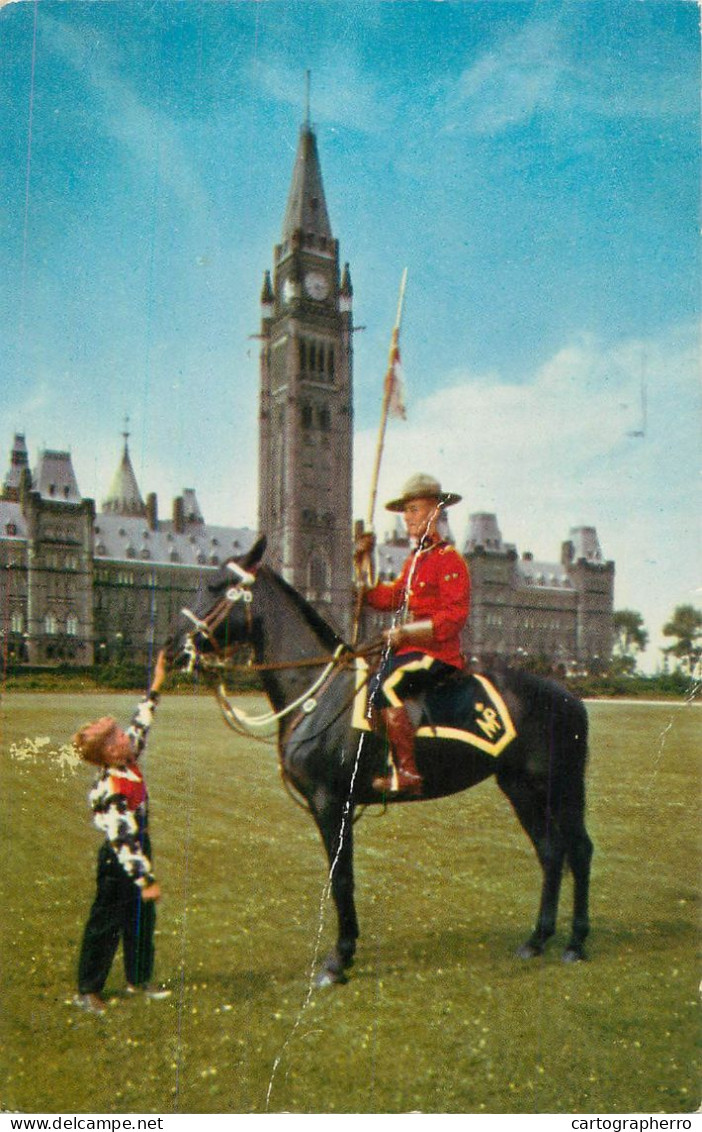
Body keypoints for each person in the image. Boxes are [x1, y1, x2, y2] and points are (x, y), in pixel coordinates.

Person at [356, 473, 470, 797]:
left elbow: (453, 618)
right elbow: (391, 597)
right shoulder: (415, 561)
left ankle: (408, 773)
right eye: (405, 510)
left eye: (415, 509)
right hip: (412, 653)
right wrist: (362, 569)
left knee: (387, 686)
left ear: (435, 512)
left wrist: (406, 632)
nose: (407, 517)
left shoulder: (449, 560)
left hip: (440, 655)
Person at [71, 649, 170, 1015]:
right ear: (107, 755)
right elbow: (122, 840)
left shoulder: (127, 760)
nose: (124, 738)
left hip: (138, 850)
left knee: (142, 920)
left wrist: (157, 682)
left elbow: (141, 721)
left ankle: (138, 979)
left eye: (119, 734)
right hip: (119, 861)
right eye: (115, 739)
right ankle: (88, 989)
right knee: (106, 923)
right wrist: (145, 879)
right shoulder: (111, 789)